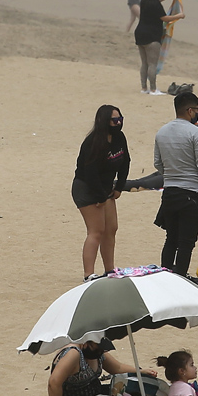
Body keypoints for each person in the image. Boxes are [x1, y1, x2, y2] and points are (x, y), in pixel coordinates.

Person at [153, 92, 198, 277]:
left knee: (170, 239)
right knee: (186, 243)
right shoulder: (195, 133)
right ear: (190, 111)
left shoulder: (162, 132)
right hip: (190, 193)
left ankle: (164, 275)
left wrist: (171, 175)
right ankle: (180, 277)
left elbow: (157, 163)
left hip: (170, 193)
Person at [73, 105, 130, 282]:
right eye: (115, 120)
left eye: (120, 119)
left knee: (111, 229)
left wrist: (119, 187)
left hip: (106, 189)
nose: (118, 123)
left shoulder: (119, 137)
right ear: (104, 121)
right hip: (87, 188)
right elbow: (90, 172)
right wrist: (99, 197)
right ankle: (88, 274)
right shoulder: (93, 142)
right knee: (96, 231)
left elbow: (125, 161)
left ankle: (110, 270)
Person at [48, 337, 157, 396]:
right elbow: (54, 383)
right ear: (86, 342)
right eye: (98, 347)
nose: (100, 351)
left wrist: (140, 371)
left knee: (136, 395)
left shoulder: (97, 351)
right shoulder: (73, 353)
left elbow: (117, 368)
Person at [134, 0, 183, 95]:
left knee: (144, 63)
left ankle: (144, 88)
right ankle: (153, 89)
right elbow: (165, 18)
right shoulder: (156, 5)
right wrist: (179, 16)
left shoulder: (145, 0)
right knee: (152, 64)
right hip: (151, 35)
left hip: (140, 33)